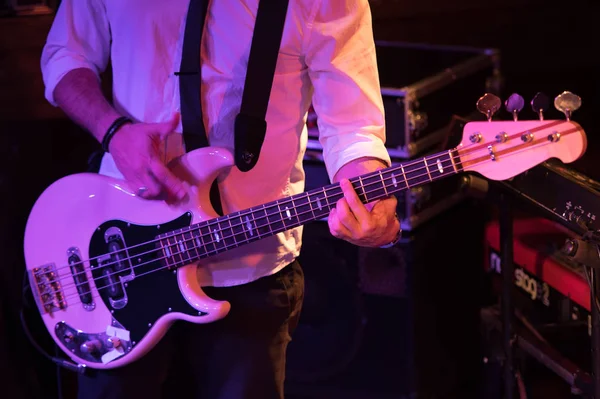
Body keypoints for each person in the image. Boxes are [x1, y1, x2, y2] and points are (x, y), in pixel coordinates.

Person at [40, 0, 400, 398]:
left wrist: (373, 201)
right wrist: (113, 131)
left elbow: (353, 127)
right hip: (117, 257)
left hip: (250, 269)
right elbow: (64, 56)